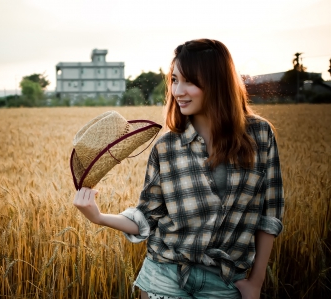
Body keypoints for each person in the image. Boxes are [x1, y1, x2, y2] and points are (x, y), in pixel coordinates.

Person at [73, 39, 284, 299]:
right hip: (164, 277)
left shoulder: (259, 135)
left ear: (217, 82)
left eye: (189, 82)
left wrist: (256, 282)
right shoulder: (166, 147)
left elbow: (269, 214)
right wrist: (99, 217)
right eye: (174, 80)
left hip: (225, 282)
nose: (177, 91)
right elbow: (146, 215)